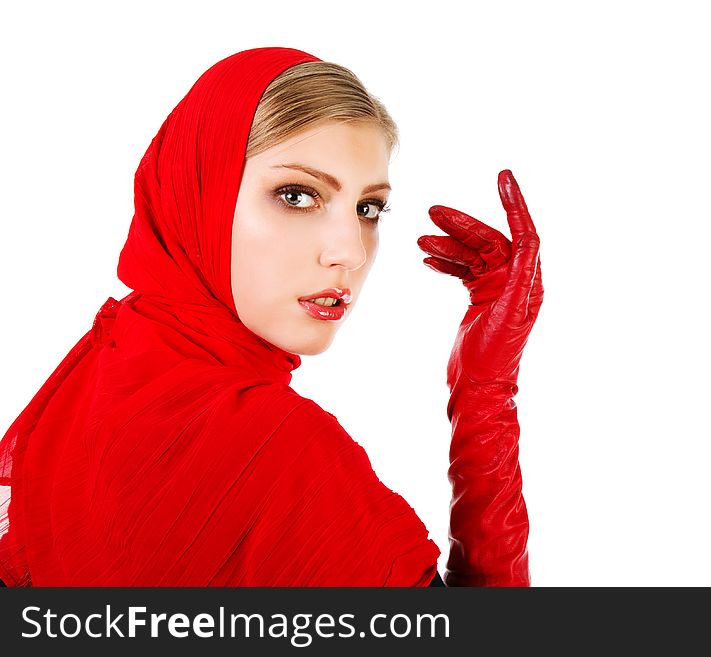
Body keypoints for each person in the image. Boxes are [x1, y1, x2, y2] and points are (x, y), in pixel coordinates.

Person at [0, 46, 542, 587]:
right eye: (297, 195)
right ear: (199, 195)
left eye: (368, 208)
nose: (349, 252)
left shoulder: (102, 371)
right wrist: (484, 393)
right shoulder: (284, 454)